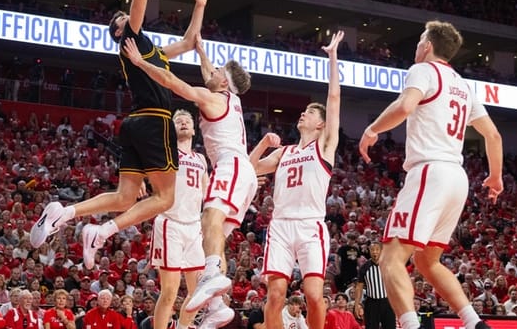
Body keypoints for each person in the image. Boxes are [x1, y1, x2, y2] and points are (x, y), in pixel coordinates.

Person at [29, 0, 210, 271]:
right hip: (155, 120)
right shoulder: (131, 40)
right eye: (123, 19)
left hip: (136, 122)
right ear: (119, 32)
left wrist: (199, 5)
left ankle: (66, 214)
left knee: (126, 197)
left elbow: (187, 42)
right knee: (166, 199)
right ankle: (101, 232)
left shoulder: (151, 50)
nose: (129, 17)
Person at [357, 20, 503, 329]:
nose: (417, 46)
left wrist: (372, 130)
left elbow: (405, 105)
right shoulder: (464, 85)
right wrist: (495, 177)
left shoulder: (422, 69)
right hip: (456, 176)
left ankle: (410, 326)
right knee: (426, 261)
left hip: (429, 171)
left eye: (420, 41)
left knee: (390, 259)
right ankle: (475, 323)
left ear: (427, 46)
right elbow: (493, 136)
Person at [123, 34, 254, 321]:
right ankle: (217, 307)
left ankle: (212, 277)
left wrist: (140, 63)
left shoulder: (212, 97)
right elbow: (210, 74)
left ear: (223, 83)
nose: (213, 71)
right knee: (212, 231)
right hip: (241, 171)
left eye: (219, 71)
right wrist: (201, 50)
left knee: (209, 219)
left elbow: (173, 84)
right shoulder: (229, 97)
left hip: (229, 165)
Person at [249, 31, 343, 329]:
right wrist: (264, 143)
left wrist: (332, 57)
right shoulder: (285, 151)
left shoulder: (324, 146)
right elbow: (249, 170)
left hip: (310, 224)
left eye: (309, 113)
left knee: (314, 295)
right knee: (275, 295)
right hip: (280, 224)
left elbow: (334, 97)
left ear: (321, 123)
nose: (302, 115)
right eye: (302, 112)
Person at [149, 110, 212, 329]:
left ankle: (183, 327)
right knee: (169, 291)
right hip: (170, 223)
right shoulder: (166, 152)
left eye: (187, 121)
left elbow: (208, 192)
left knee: (197, 292)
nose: (184, 123)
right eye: (178, 121)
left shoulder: (201, 159)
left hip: (193, 226)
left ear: (194, 130)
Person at [352, 242, 394, 329]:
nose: (375, 252)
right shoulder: (364, 267)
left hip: (388, 302)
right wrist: (356, 305)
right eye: (372, 250)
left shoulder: (389, 265)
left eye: (377, 249)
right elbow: (359, 287)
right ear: (369, 251)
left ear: (381, 251)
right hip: (372, 303)